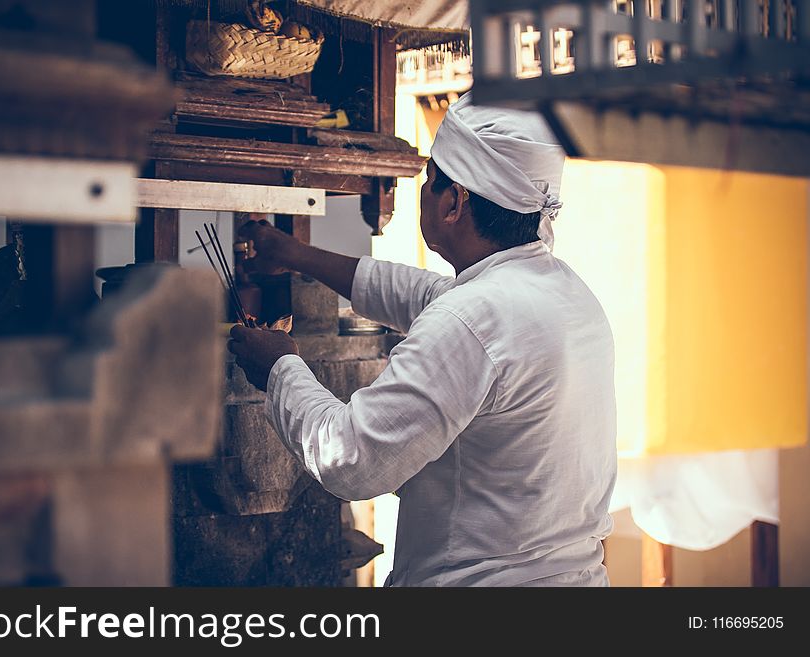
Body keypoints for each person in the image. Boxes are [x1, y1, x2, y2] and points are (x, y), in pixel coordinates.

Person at [228, 92, 617, 587]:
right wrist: (294, 254)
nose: (424, 191)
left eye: (430, 181)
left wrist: (280, 368)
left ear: (454, 202)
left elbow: (351, 459)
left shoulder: (472, 317)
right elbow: (423, 295)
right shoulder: (562, 292)